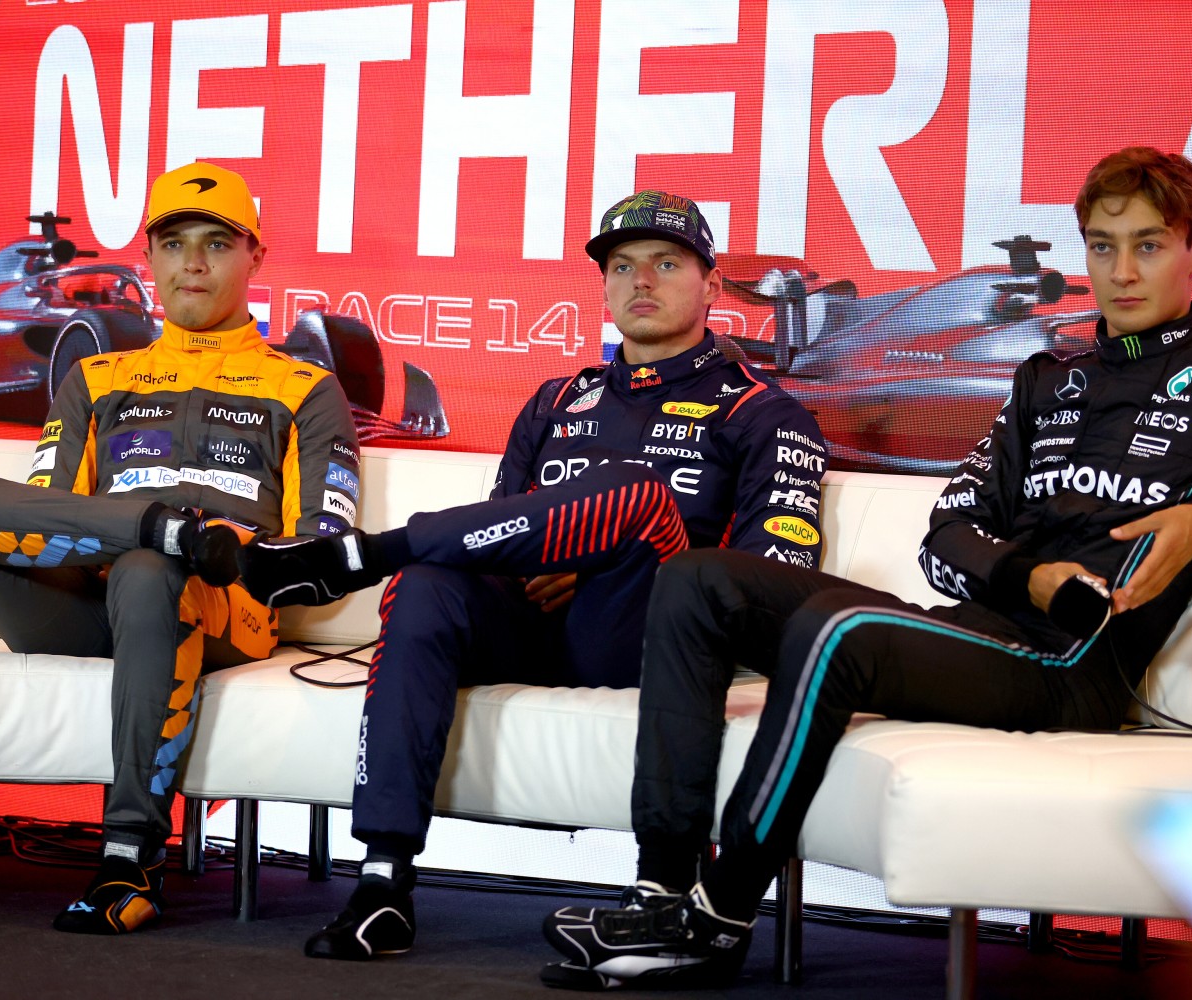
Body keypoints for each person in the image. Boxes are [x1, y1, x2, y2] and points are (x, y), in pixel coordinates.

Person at [537, 146, 1192, 990]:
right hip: (991, 627)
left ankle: (716, 920)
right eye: (1103, 247)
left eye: (1149, 244)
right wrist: (1025, 577)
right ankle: (660, 881)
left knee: (837, 633)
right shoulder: (1046, 378)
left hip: (1079, 666)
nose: (1122, 271)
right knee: (702, 578)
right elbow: (948, 530)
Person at [235, 190, 827, 961]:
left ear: (712, 287)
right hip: (536, 627)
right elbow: (492, 534)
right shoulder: (556, 400)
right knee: (427, 586)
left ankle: (360, 555)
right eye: (621, 266)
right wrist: (544, 560)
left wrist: (610, 560)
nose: (640, 280)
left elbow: (767, 581)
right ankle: (383, 882)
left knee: (637, 494)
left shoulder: (763, 413)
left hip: (655, 642)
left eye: (666, 263)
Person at [0, 162, 359, 934]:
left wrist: (227, 550)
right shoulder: (92, 377)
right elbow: (43, 512)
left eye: (217, 243)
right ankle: (157, 529)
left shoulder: (305, 389)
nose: (194, 261)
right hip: (87, 596)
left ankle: (127, 857)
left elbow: (326, 554)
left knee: (156, 571)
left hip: (224, 605)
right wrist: (140, 531)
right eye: (174, 242)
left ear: (255, 257)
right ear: (147, 258)